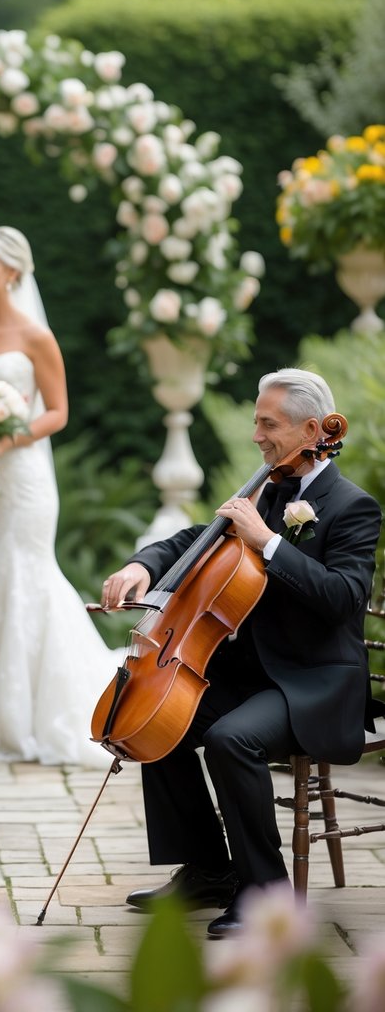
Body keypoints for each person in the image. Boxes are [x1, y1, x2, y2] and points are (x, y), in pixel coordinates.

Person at [100, 368, 382, 938]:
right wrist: (142, 564)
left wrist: (270, 542)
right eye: (256, 421)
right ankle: (208, 870)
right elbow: (191, 541)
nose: (256, 434)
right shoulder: (268, 489)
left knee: (232, 740)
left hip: (315, 682)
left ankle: (265, 897)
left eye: (267, 423)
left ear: (311, 430)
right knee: (157, 721)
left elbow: (344, 598)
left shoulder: (352, 506)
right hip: (257, 672)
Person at [0, 226, 125, 766]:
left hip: (23, 478)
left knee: (25, 572)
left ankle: (38, 713)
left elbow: (57, 411)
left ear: (13, 272)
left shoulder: (36, 336)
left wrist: (6, 437)